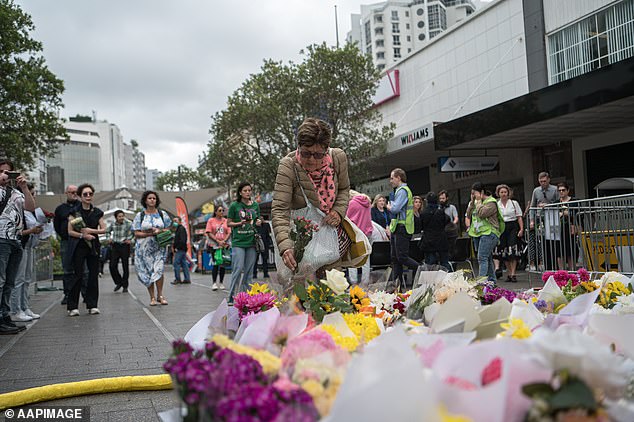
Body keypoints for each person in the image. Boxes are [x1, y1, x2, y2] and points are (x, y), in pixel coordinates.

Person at [272, 117, 350, 281]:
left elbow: (343, 189)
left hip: (328, 238)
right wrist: (285, 246)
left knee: (333, 291)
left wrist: (337, 211)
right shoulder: (288, 165)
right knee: (301, 297)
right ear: (299, 146)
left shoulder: (338, 158)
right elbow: (280, 209)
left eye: (318, 154)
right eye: (306, 153)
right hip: (300, 243)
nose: (312, 160)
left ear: (326, 148)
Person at [66, 183, 106, 316]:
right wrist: (83, 235)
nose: (88, 196)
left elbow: (104, 229)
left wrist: (91, 231)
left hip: (93, 246)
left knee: (93, 275)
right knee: (78, 275)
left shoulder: (97, 212)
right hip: (79, 246)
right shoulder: (74, 212)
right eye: (85, 194)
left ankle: (92, 305)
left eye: (90, 194)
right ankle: (72, 307)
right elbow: (70, 231)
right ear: (79, 196)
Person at [8, 182, 41, 324]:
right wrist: (32, 230)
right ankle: (15, 310)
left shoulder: (31, 211)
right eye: (30, 194)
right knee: (19, 279)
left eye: (33, 194)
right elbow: (17, 230)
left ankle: (24, 306)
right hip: (20, 244)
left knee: (27, 278)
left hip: (29, 244)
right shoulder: (16, 209)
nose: (32, 197)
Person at [132, 191, 171, 306]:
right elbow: (136, 233)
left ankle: (160, 296)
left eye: (154, 198)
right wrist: (148, 233)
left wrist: (160, 231)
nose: (152, 200)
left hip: (160, 247)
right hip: (144, 249)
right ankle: (152, 297)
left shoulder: (162, 214)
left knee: (159, 269)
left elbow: (169, 229)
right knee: (149, 272)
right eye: (150, 198)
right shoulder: (140, 216)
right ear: (145, 200)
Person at [227, 182, 261, 303]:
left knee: (249, 271)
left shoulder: (255, 205)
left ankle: (246, 297)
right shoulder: (234, 206)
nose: (247, 192)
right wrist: (239, 223)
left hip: (251, 241)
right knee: (238, 268)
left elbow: (258, 219)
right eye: (245, 190)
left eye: (249, 190)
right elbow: (228, 223)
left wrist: (259, 222)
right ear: (240, 192)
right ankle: (232, 296)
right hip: (238, 242)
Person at [387, 168, 419, 290]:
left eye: (392, 178)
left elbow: (395, 209)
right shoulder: (399, 191)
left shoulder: (402, 191)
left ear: (398, 178)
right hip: (397, 227)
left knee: (401, 257)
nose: (391, 181)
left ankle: (420, 269)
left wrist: (389, 206)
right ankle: (397, 287)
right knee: (395, 259)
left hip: (402, 228)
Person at [466, 182, 504, 282]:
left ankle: (480, 282)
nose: (474, 195)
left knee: (482, 257)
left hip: (490, 233)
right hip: (477, 233)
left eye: (475, 193)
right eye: (472, 193)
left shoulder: (491, 202)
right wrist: (471, 202)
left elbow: (482, 214)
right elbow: (469, 215)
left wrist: (478, 202)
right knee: (487, 258)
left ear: (482, 192)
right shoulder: (474, 202)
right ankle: (492, 281)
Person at [54, 184, 83, 305]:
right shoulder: (60, 208)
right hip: (67, 241)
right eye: (71, 192)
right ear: (66, 193)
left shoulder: (82, 206)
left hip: (81, 240)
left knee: (84, 269)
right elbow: (56, 225)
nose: (74, 194)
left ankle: (86, 294)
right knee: (67, 269)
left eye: (76, 192)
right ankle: (68, 294)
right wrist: (63, 235)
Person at [527, 171, 558, 270]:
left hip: (552, 217)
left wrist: (547, 205)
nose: (543, 183)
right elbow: (532, 206)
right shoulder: (536, 191)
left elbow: (559, 203)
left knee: (553, 241)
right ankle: (546, 265)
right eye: (541, 181)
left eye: (544, 181)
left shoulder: (555, 190)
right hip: (540, 219)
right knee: (542, 241)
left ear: (548, 180)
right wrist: (532, 220)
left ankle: (555, 265)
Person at [492, 184, 523, 283]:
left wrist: (521, 229)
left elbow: (519, 217)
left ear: (508, 193)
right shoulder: (496, 204)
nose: (504, 194)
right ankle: (509, 273)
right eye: (501, 192)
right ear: (498, 194)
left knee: (512, 249)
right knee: (504, 251)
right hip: (501, 227)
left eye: (505, 192)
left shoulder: (514, 203)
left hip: (512, 226)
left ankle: (513, 274)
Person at [346, 191, 373, 285]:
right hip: (367, 232)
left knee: (353, 258)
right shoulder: (367, 203)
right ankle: (365, 282)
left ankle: (353, 282)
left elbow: (347, 219)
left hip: (356, 233)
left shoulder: (352, 203)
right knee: (365, 259)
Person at [419, 192, 451, 270]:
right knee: (444, 263)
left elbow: (420, 226)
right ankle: (447, 280)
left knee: (430, 265)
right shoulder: (440, 212)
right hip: (441, 241)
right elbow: (447, 220)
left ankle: (431, 281)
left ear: (427, 201)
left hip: (428, 242)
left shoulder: (423, 213)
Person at [105, 209, 133, 292]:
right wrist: (108, 238)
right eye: (119, 216)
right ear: (116, 217)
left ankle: (125, 286)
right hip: (115, 245)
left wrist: (131, 240)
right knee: (112, 266)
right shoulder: (112, 224)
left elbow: (135, 233)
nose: (121, 218)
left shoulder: (129, 223)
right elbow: (107, 232)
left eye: (122, 216)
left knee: (125, 266)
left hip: (125, 245)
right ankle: (118, 282)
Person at [205, 205, 231, 291]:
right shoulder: (211, 220)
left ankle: (221, 282)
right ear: (215, 212)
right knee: (216, 263)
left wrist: (224, 241)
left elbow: (229, 232)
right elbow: (209, 232)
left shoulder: (226, 221)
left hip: (223, 245)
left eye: (223, 210)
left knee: (223, 264)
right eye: (220, 210)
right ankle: (214, 283)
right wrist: (218, 241)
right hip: (214, 245)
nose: (221, 212)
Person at [557, 182, 577, 270]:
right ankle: (561, 272)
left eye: (563, 190)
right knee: (559, 251)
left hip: (570, 229)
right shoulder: (556, 203)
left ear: (568, 190)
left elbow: (576, 214)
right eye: (559, 190)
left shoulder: (573, 201)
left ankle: (572, 271)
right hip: (559, 230)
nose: (561, 192)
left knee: (570, 251)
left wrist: (566, 213)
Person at [438, 190, 460, 258]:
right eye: (440, 198)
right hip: (441, 232)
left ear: (447, 198)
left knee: (452, 250)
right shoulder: (438, 208)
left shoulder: (452, 207)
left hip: (451, 231)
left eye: (443, 198)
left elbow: (456, 218)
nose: (441, 200)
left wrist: (453, 225)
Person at [171, 217, 191, 285]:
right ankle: (187, 278)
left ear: (180, 221)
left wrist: (177, 247)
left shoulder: (181, 229)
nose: (174, 222)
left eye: (176, 221)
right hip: (182, 249)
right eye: (174, 221)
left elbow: (182, 240)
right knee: (184, 264)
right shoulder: (179, 229)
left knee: (176, 263)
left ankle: (177, 279)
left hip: (180, 249)